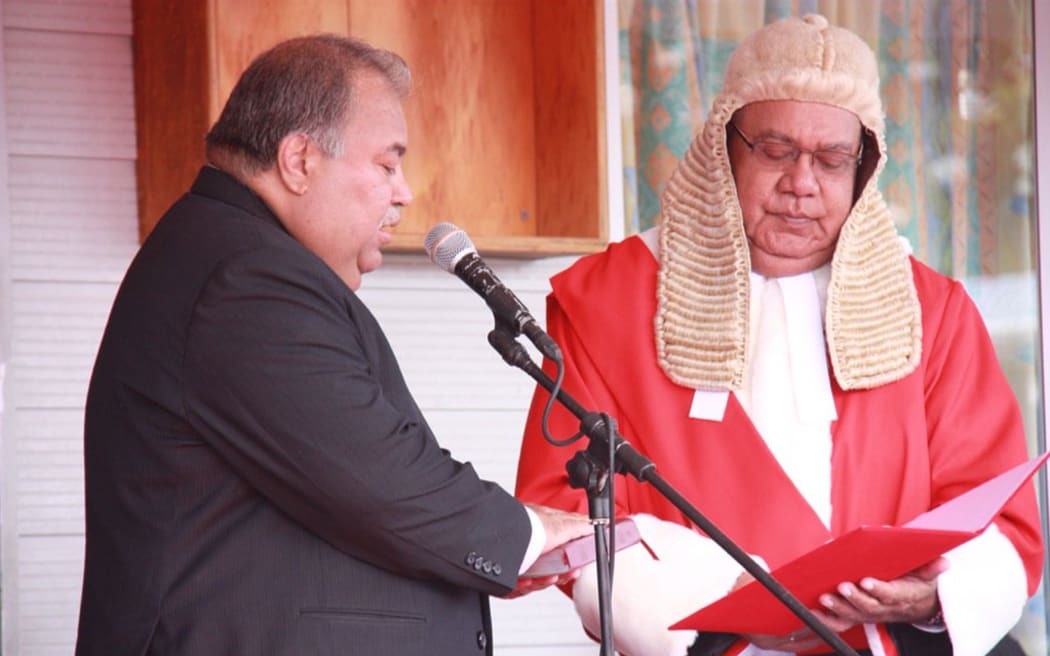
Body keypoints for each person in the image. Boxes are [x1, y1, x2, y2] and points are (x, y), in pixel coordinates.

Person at [515, 14, 1043, 656]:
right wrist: (732, 590)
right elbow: (566, 512)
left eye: (831, 160)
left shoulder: (933, 311)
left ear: (864, 168)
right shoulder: (607, 301)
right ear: (723, 148)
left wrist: (937, 594)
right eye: (775, 150)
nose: (802, 184)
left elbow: (999, 520)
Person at [74, 34, 592, 656]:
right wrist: (527, 534)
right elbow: (381, 483)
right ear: (299, 161)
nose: (404, 191)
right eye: (386, 164)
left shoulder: (235, 257)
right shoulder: (246, 279)